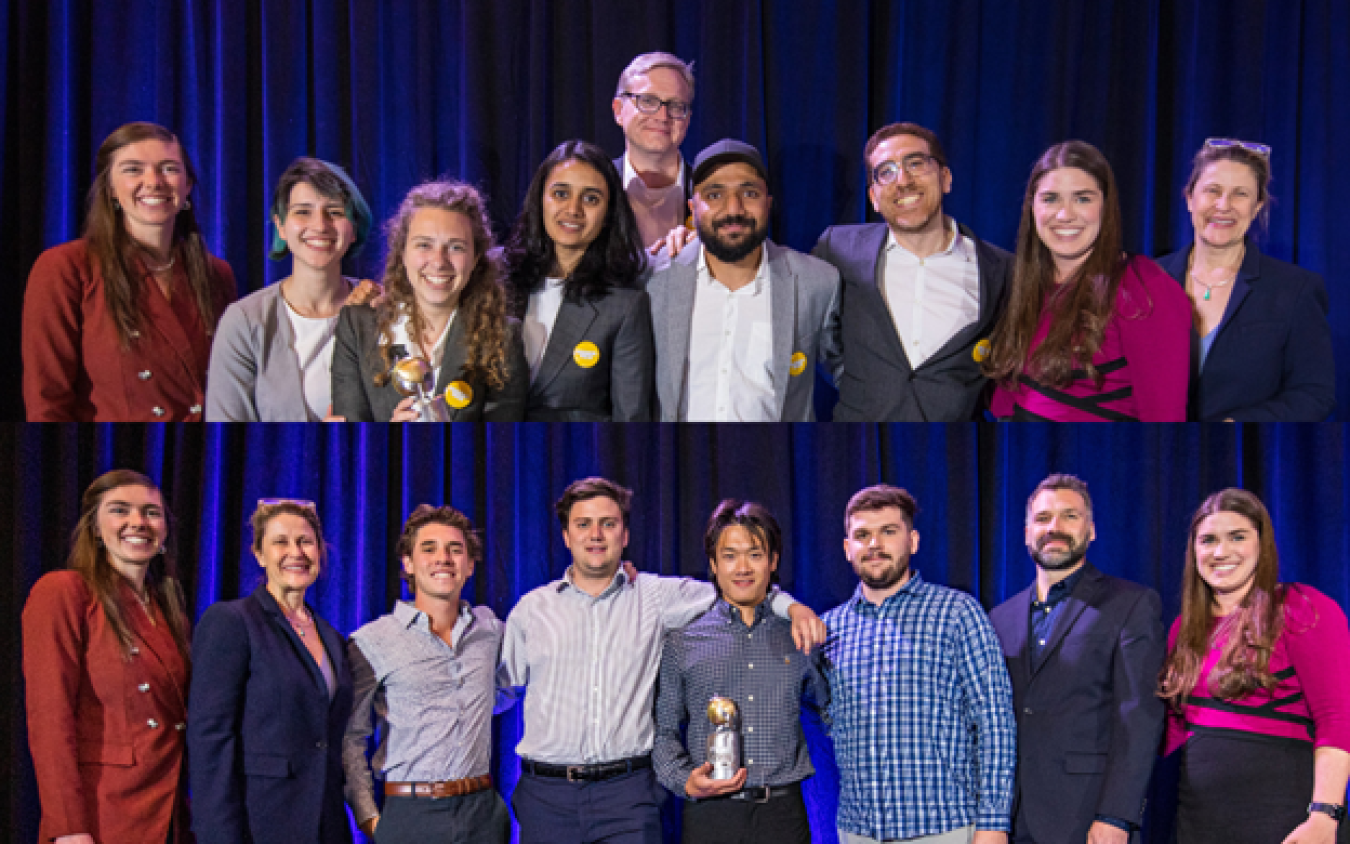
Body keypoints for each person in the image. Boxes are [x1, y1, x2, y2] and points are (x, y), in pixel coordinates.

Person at [501, 477, 826, 844]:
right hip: (548, 796)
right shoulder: (531, 610)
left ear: (624, 535)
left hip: (628, 797)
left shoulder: (657, 597)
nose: (595, 534)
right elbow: (501, 690)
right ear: (565, 535)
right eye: (583, 524)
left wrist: (793, 607)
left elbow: (742, 589)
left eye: (608, 524)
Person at [821, 484, 1015, 844]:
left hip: (945, 829)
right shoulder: (828, 629)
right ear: (848, 548)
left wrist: (993, 822)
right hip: (859, 832)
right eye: (862, 535)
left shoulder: (957, 612)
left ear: (913, 541)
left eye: (888, 532)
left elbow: (994, 721)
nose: (874, 545)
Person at [1159, 488, 1350, 844]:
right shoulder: (1184, 629)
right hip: (1198, 823)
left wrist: (1325, 815)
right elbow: (1171, 733)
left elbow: (1337, 719)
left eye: (1237, 537)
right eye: (1208, 540)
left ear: (1262, 545)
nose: (1221, 552)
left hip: (1286, 820)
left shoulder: (1302, 609)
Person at [988, 474, 1165, 844]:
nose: (1055, 527)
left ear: (1091, 530)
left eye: (1070, 516)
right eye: (1043, 518)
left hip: (1088, 819)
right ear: (1025, 533)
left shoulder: (1130, 603)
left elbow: (1139, 717)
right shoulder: (998, 618)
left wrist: (1117, 815)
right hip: (1011, 821)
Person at [22, 121, 237, 421]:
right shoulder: (65, 267)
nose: (154, 181)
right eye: (133, 169)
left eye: (169, 168)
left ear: (188, 184)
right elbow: (47, 402)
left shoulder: (217, 274)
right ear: (110, 188)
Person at [22, 469, 193, 843]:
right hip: (105, 816)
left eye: (151, 512)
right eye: (120, 510)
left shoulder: (169, 609)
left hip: (169, 816)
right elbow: (49, 719)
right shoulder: (65, 593)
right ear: (96, 529)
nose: (138, 522)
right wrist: (68, 828)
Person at [653, 499, 828, 844]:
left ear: (773, 561)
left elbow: (833, 711)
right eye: (730, 556)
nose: (742, 567)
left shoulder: (800, 635)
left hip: (782, 814)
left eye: (755, 554)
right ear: (714, 565)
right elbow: (664, 732)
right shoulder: (683, 641)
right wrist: (684, 779)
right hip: (710, 816)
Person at [812, 122, 1012, 421]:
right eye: (886, 171)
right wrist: (857, 381)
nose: (903, 180)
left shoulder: (1002, 269)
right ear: (874, 197)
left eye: (915, 163)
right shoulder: (838, 249)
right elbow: (817, 332)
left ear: (945, 178)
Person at [983, 140, 1191, 421]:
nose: (1065, 214)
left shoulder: (1144, 288)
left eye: (1082, 198)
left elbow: (1164, 415)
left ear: (1105, 206)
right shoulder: (1020, 282)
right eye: (1050, 198)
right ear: (1032, 207)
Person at [343, 505, 514, 844]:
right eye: (429, 548)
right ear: (408, 563)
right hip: (411, 815)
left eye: (455, 549)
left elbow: (530, 666)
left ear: (469, 565)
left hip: (483, 815)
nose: (443, 558)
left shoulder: (492, 631)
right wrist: (370, 820)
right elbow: (351, 737)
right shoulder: (372, 641)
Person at [188, 499, 355, 844]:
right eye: (280, 542)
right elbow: (210, 739)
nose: (295, 551)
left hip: (325, 826)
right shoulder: (233, 622)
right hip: (259, 825)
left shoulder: (334, 639)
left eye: (305, 542)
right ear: (260, 555)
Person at [646, 139, 841, 421]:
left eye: (748, 193)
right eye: (714, 195)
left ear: (768, 203)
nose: (733, 209)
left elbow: (853, 377)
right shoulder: (653, 278)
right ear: (692, 208)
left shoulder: (817, 282)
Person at [1155, 139, 1336, 421]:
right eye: (1212, 191)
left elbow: (1313, 394)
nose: (1223, 205)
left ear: (1257, 206)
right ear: (1190, 198)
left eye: (1240, 194)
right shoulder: (1143, 280)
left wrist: (1237, 423)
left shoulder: (1296, 288)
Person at [330, 179, 528, 421]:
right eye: (424, 245)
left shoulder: (503, 337)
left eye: (456, 247)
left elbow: (502, 444)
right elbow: (350, 440)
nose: (439, 262)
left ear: (475, 258)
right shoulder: (357, 327)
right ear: (402, 252)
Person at [206, 157, 376, 421]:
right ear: (281, 226)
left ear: (353, 228)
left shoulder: (384, 307)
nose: (320, 225)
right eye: (303, 211)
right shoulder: (243, 321)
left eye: (335, 212)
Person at [502, 140, 655, 420]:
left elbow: (630, 418)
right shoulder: (492, 276)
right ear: (540, 200)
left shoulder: (624, 305)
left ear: (608, 214)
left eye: (591, 198)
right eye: (561, 194)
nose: (573, 209)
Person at [612, 52, 695, 250]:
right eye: (648, 101)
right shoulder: (594, 188)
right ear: (618, 110)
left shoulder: (710, 193)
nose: (662, 116)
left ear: (688, 120)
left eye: (675, 106)